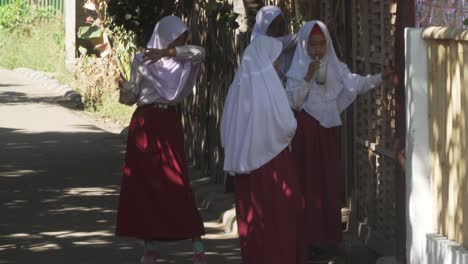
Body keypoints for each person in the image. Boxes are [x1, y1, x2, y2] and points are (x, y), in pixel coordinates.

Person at [285, 20, 392, 260]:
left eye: (322, 44)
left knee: (329, 183)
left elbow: (355, 83)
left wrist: (380, 77)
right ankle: (308, 240)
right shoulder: (297, 69)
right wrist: (308, 76)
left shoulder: (335, 66)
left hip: (328, 132)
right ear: (304, 45)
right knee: (308, 185)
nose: (317, 50)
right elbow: (293, 102)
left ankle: (330, 239)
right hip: (307, 132)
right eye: (312, 44)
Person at [115, 16, 208, 264]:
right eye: (177, 38)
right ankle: (150, 247)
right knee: (145, 185)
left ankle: (197, 246)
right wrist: (124, 88)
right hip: (146, 123)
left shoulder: (184, 60)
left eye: (183, 38)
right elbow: (131, 97)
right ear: (165, 35)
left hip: (168, 123)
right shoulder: (141, 59)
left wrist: (168, 52)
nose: (183, 41)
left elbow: (200, 52)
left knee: (177, 180)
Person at [220, 35, 305, 264]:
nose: (278, 63)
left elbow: (226, 130)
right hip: (275, 167)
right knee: (280, 220)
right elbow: (287, 126)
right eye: (276, 58)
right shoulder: (270, 87)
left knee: (255, 225)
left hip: (246, 172)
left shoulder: (238, 86)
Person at [251, 5, 297, 80]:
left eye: (281, 25)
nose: (278, 30)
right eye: (273, 26)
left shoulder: (288, 45)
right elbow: (290, 40)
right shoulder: (259, 42)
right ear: (264, 27)